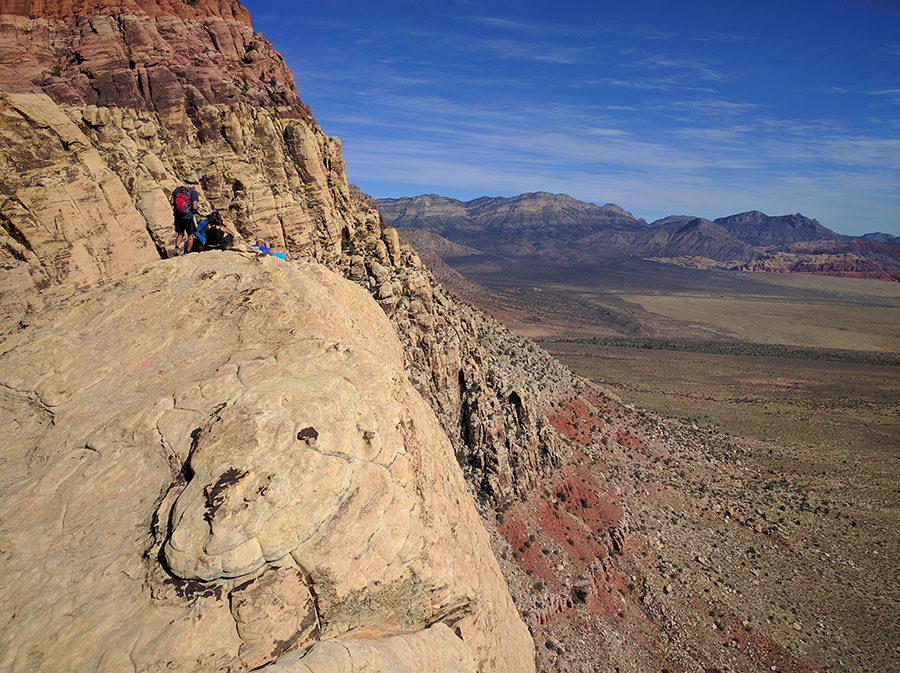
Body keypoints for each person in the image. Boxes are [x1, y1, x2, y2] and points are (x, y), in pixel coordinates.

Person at [171, 175, 200, 256]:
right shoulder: (193, 193)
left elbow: (171, 202)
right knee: (190, 235)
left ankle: (177, 247)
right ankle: (187, 252)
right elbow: (194, 207)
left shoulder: (177, 190)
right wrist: (196, 210)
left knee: (180, 233)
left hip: (178, 215)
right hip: (188, 216)